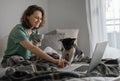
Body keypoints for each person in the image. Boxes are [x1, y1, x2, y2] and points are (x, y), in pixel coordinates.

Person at [1, 5, 68, 68]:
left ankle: (34, 66)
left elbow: (35, 50)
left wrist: (36, 45)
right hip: (12, 60)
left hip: (28, 59)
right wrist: (53, 61)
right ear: (27, 16)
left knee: (54, 56)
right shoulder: (18, 30)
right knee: (16, 59)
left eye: (41, 18)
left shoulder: (35, 31)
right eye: (36, 18)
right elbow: (32, 48)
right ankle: (35, 66)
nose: (39, 21)